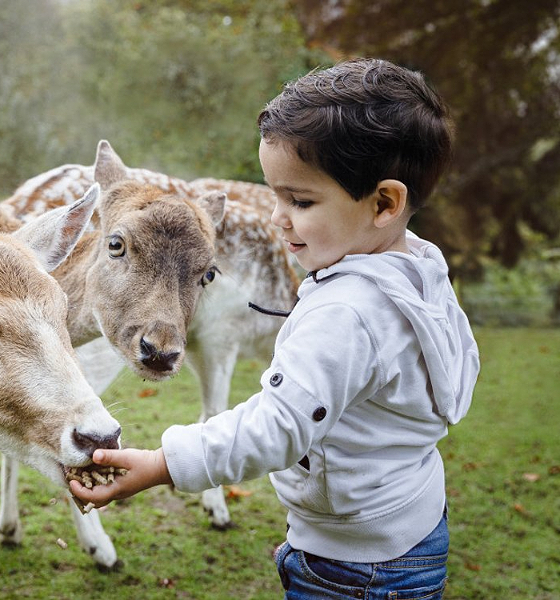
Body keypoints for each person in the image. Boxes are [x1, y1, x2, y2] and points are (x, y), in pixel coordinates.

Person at [71, 57, 480, 599]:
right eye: (275, 196)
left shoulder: (348, 313)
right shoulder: (422, 269)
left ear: (384, 202)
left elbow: (277, 429)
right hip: (414, 527)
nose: (275, 218)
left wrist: (162, 464)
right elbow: (461, 370)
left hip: (354, 567)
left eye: (299, 201)